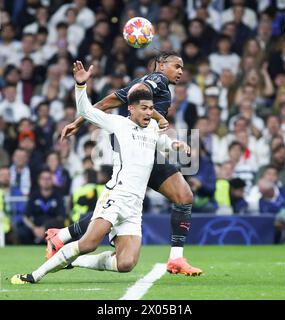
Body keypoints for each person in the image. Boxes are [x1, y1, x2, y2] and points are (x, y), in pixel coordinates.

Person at [11, 61, 193, 284]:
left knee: (126, 264)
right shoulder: (118, 124)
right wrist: (81, 85)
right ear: (131, 109)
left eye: (151, 109)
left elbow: (161, 143)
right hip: (115, 198)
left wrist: (177, 146)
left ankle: (71, 260)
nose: (148, 113)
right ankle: (34, 275)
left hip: (135, 207)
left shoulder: (152, 128)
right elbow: (86, 111)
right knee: (88, 244)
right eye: (144, 109)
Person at [53, 51, 202, 275]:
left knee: (122, 203)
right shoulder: (157, 80)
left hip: (142, 143)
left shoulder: (150, 84)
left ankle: (61, 236)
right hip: (137, 145)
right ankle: (176, 259)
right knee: (180, 196)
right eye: (176, 66)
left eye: (182, 68)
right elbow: (121, 101)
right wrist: (160, 118)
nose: (181, 71)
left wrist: (79, 121)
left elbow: (109, 101)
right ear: (161, 65)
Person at [17, 168, 67, 245]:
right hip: (35, 228)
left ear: (52, 180)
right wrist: (34, 228)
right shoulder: (34, 196)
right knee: (21, 232)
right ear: (39, 181)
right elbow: (26, 217)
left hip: (53, 229)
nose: (46, 181)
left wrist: (45, 228)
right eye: (43, 178)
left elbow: (61, 217)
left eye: (48, 179)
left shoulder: (58, 196)